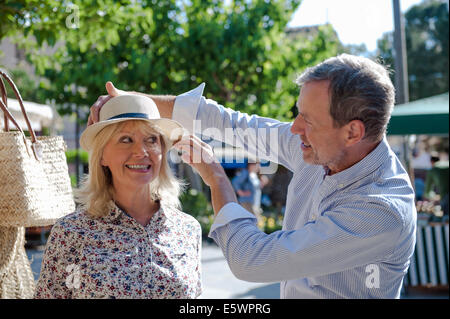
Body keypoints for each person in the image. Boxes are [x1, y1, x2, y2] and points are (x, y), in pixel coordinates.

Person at [90, 54, 417, 298]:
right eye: (297, 113)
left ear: (353, 132)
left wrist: (217, 177)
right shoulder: (318, 147)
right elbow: (228, 123)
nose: (294, 129)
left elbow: (252, 261)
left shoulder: (381, 211)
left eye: (308, 120)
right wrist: (135, 103)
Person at [35, 95, 202, 299]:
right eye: (126, 139)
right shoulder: (71, 233)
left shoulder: (187, 230)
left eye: (151, 140)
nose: (141, 152)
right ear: (102, 155)